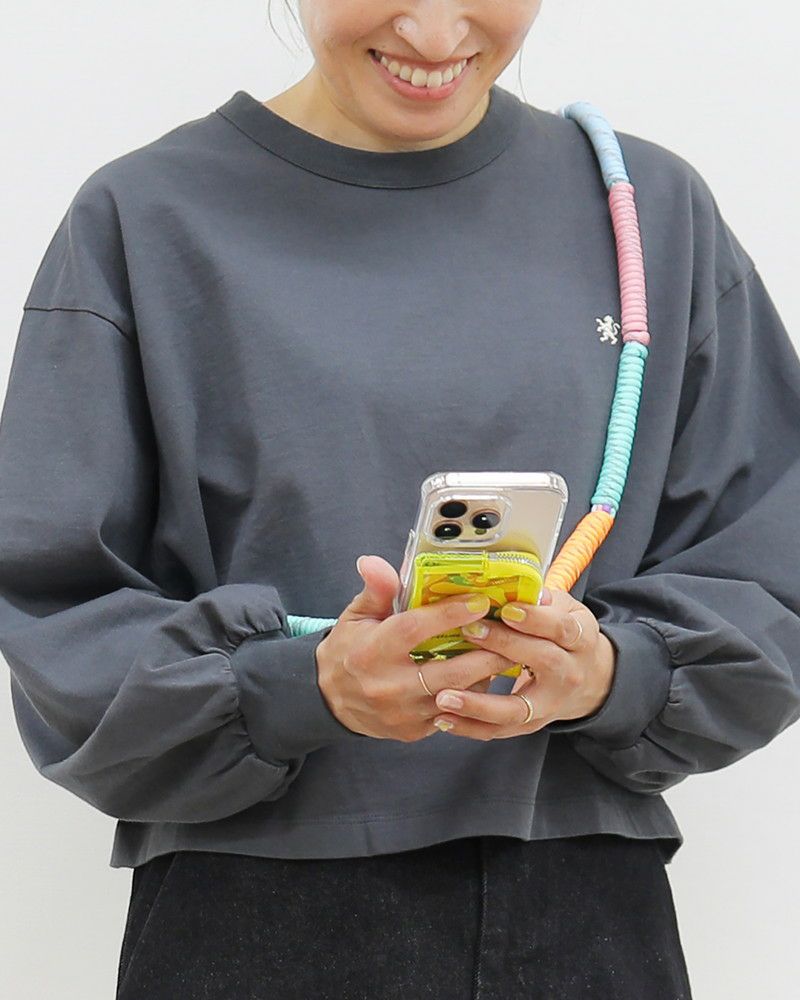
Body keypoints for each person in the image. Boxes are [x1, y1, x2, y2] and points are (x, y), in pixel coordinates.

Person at [2, 2, 799, 997]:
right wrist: (302, 686)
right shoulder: (143, 218)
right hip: (249, 915)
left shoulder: (646, 212)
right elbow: (52, 612)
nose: (432, 32)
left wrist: (607, 672)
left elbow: (770, 558)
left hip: (585, 914)